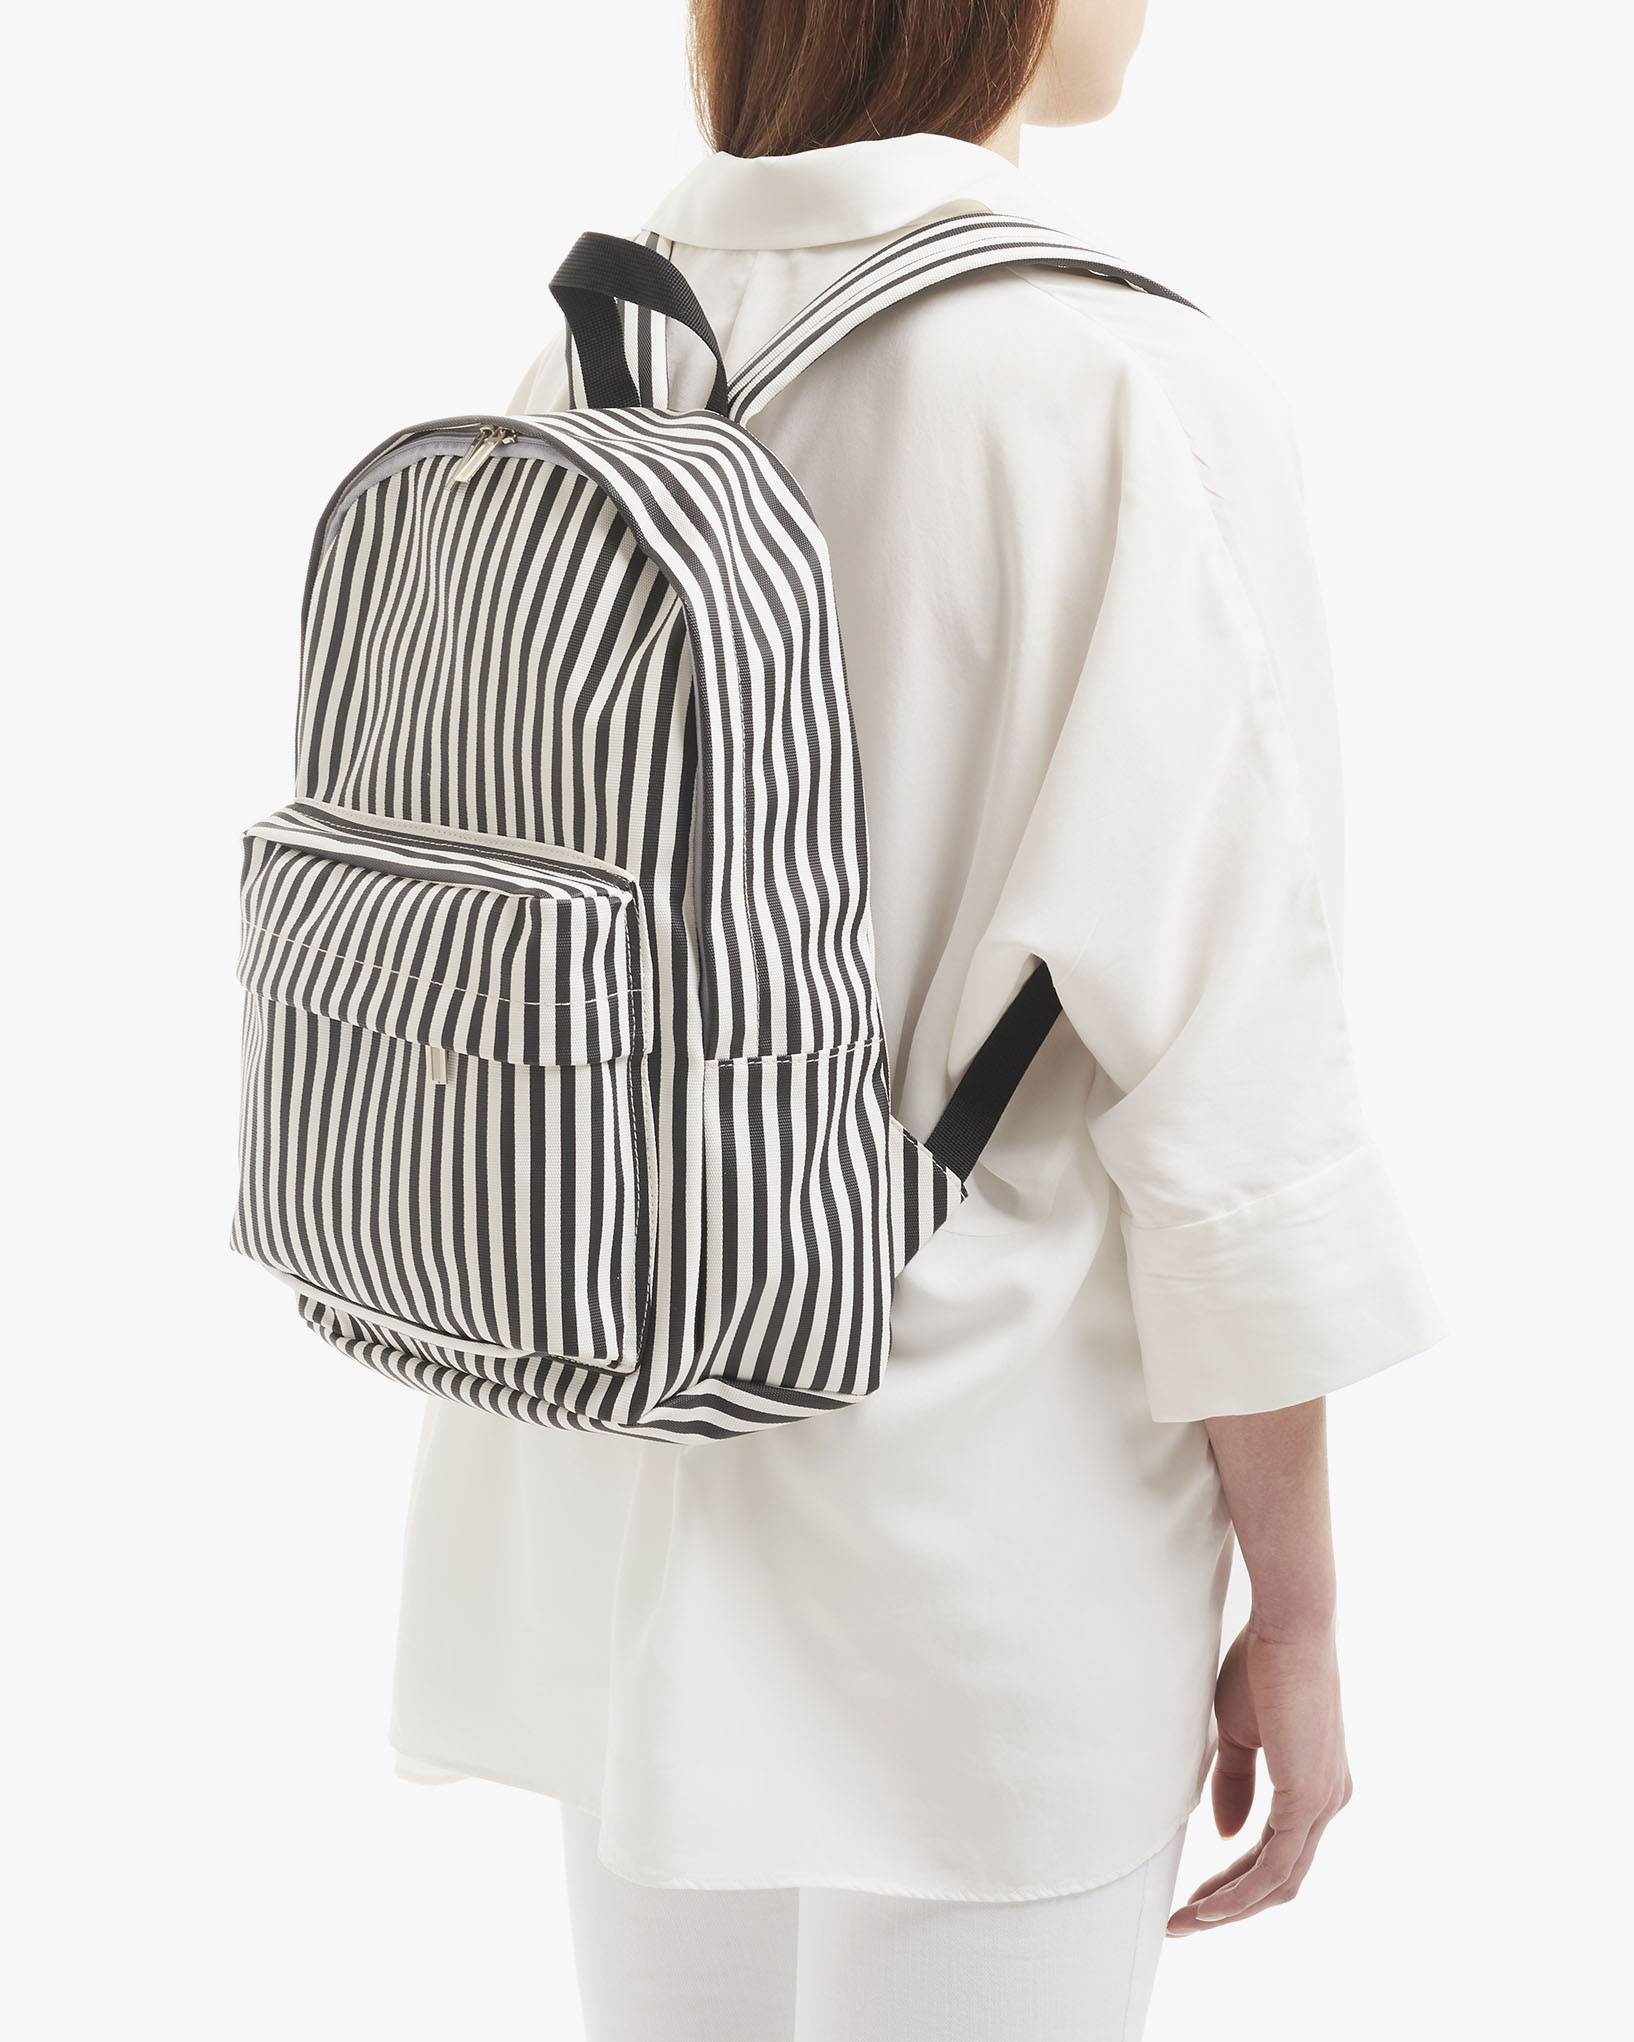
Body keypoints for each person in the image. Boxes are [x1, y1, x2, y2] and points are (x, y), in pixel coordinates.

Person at [388, 2, 1446, 2034]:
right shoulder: (1121, 385)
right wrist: (1299, 1618)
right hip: (979, 1524)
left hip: (603, 1443)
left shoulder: (590, 359)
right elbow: (1227, 1076)